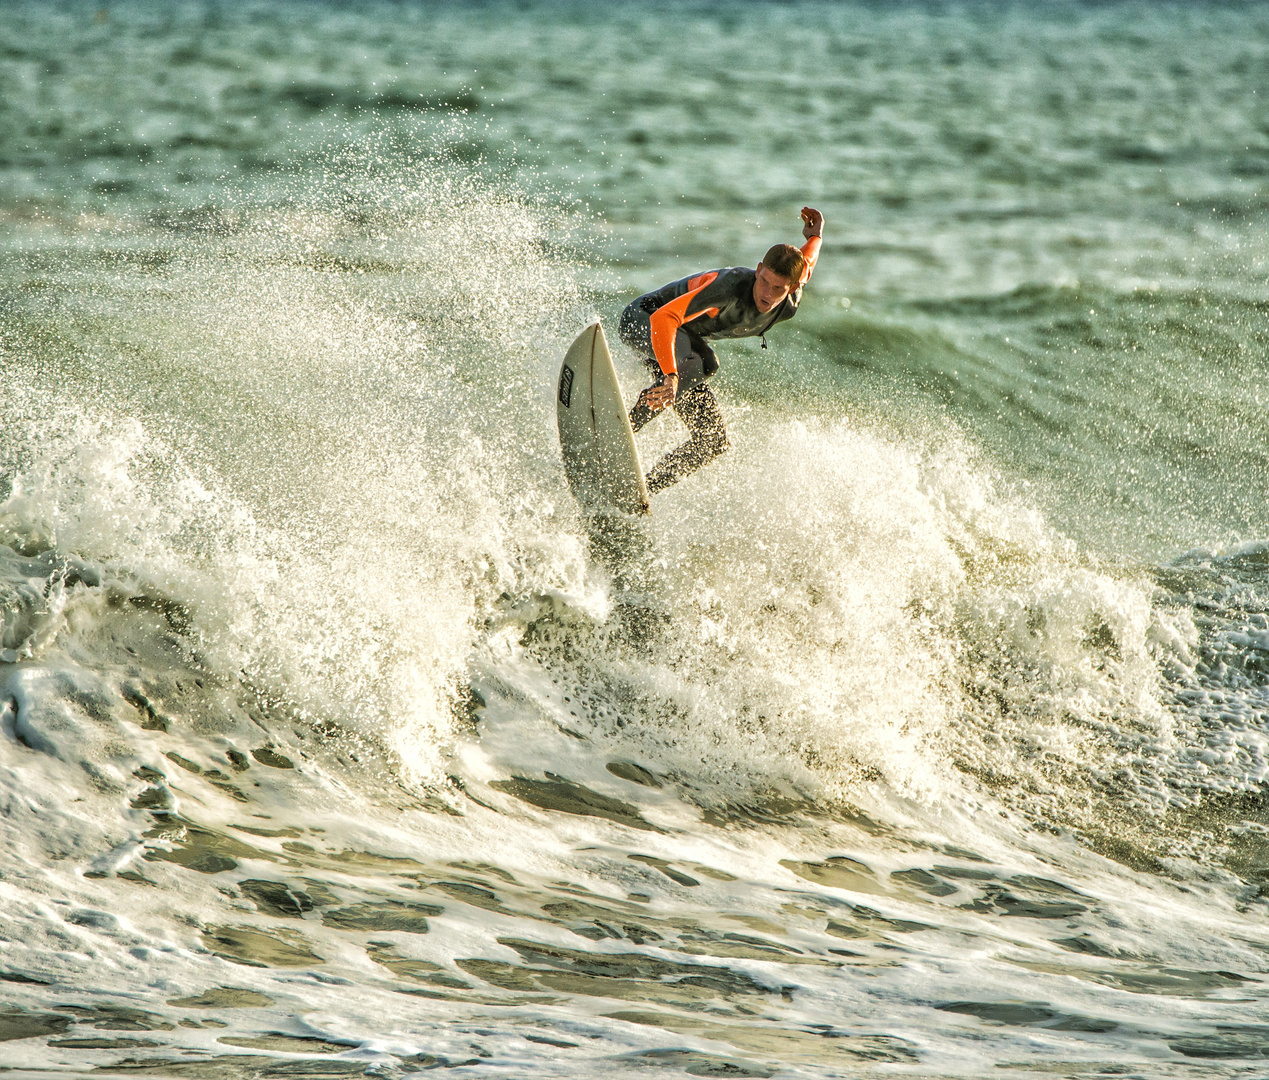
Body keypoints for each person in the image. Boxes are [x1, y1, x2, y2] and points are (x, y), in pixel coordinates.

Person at [619, 207, 824, 494]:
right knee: (705, 363)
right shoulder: (729, 287)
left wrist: (815, 235)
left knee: (711, 440)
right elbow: (662, 318)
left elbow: (808, 260)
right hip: (643, 319)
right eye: (763, 280)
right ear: (759, 269)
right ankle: (619, 434)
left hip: (682, 346)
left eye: (778, 288)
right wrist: (670, 375)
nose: (766, 292)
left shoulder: (790, 301)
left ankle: (643, 490)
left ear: (791, 288)